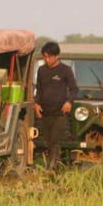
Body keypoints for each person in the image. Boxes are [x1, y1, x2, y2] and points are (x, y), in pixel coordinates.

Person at [34, 41, 78, 170]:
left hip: (60, 112)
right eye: (45, 57)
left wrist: (69, 102)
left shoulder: (65, 70)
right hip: (45, 112)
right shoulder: (41, 70)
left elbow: (74, 89)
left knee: (55, 140)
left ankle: (51, 167)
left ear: (57, 56)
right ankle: (54, 166)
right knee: (47, 141)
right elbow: (39, 89)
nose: (47, 60)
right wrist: (36, 104)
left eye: (49, 57)